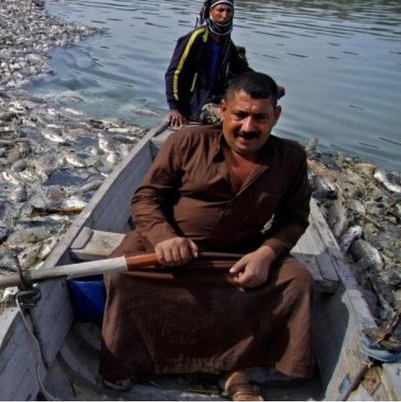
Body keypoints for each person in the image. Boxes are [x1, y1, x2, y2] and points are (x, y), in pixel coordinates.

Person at [101, 71, 314, 401]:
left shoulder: (291, 158)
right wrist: (164, 238)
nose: (248, 127)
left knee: (297, 282)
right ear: (223, 110)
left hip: (239, 255)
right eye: (240, 115)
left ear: (276, 116)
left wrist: (266, 254)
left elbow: (294, 218)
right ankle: (134, 359)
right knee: (121, 274)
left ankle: (238, 367)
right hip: (169, 250)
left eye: (260, 117)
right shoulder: (186, 142)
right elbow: (146, 198)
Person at [165, 0, 252, 128]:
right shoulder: (196, 37)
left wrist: (266, 84)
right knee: (235, 120)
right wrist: (174, 108)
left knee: (255, 112)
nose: (225, 15)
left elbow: (240, 68)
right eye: (220, 10)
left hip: (216, 97)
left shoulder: (225, 40)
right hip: (195, 104)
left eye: (229, 11)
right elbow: (174, 73)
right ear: (210, 11)